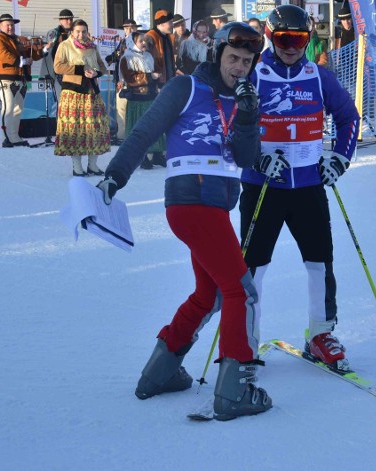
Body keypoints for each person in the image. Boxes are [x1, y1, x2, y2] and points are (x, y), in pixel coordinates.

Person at [97, 22, 270, 421]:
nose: (240, 68)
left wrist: (247, 116)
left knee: (209, 294)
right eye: (233, 59)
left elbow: (245, 158)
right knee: (240, 291)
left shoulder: (245, 98)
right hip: (192, 202)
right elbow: (143, 133)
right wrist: (115, 175)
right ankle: (235, 392)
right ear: (218, 55)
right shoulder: (186, 88)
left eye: (247, 62)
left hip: (214, 206)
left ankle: (160, 372)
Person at [239, 5, 360, 370]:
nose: (292, 46)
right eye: (283, 39)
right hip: (263, 187)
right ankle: (244, 339)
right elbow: (230, 124)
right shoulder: (253, 74)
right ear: (270, 37)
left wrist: (340, 157)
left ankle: (320, 334)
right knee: (252, 266)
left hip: (309, 184)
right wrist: (256, 158)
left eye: (300, 39)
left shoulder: (318, 76)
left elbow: (348, 118)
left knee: (319, 261)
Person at [53, 19, 110, 176]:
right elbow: (57, 67)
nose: (81, 34)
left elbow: (102, 67)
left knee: (96, 128)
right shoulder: (65, 46)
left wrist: (96, 72)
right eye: (77, 31)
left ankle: (93, 165)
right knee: (75, 129)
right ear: (72, 32)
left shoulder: (92, 47)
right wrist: (80, 68)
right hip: (73, 92)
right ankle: (77, 167)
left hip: (92, 91)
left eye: (84, 31)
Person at [0, 13, 43, 147]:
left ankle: (14, 137)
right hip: (6, 77)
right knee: (8, 108)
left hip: (21, 78)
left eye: (12, 25)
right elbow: (3, 55)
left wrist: (43, 50)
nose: (10, 27)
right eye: (7, 25)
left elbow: (33, 55)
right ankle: (7, 137)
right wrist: (23, 60)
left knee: (18, 108)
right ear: (0, 26)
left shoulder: (19, 40)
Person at [118, 31, 161, 164]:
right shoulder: (127, 58)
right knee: (139, 128)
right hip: (137, 98)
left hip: (151, 96)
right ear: (133, 43)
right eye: (140, 41)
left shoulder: (148, 56)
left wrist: (157, 77)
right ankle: (141, 156)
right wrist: (149, 76)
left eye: (145, 40)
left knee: (154, 126)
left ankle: (157, 154)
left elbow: (157, 70)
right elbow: (130, 78)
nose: (144, 43)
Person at [144, 10, 175, 167]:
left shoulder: (166, 37)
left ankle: (157, 154)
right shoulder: (150, 36)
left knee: (162, 119)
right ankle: (146, 155)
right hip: (155, 85)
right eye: (170, 22)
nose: (172, 24)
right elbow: (143, 58)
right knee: (153, 119)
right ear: (162, 23)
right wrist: (152, 79)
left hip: (166, 83)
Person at [106, 18, 142, 143]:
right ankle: (122, 135)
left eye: (132, 27)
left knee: (134, 110)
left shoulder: (139, 42)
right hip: (121, 81)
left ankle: (133, 135)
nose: (129, 30)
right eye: (126, 27)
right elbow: (116, 57)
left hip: (135, 82)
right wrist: (109, 59)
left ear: (136, 28)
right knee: (121, 109)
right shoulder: (121, 42)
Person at [39, 8, 75, 103]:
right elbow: (47, 52)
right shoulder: (53, 33)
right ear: (60, 21)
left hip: (73, 71)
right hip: (58, 72)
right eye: (66, 19)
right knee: (62, 99)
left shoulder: (77, 32)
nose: (69, 21)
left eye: (70, 19)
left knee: (73, 100)